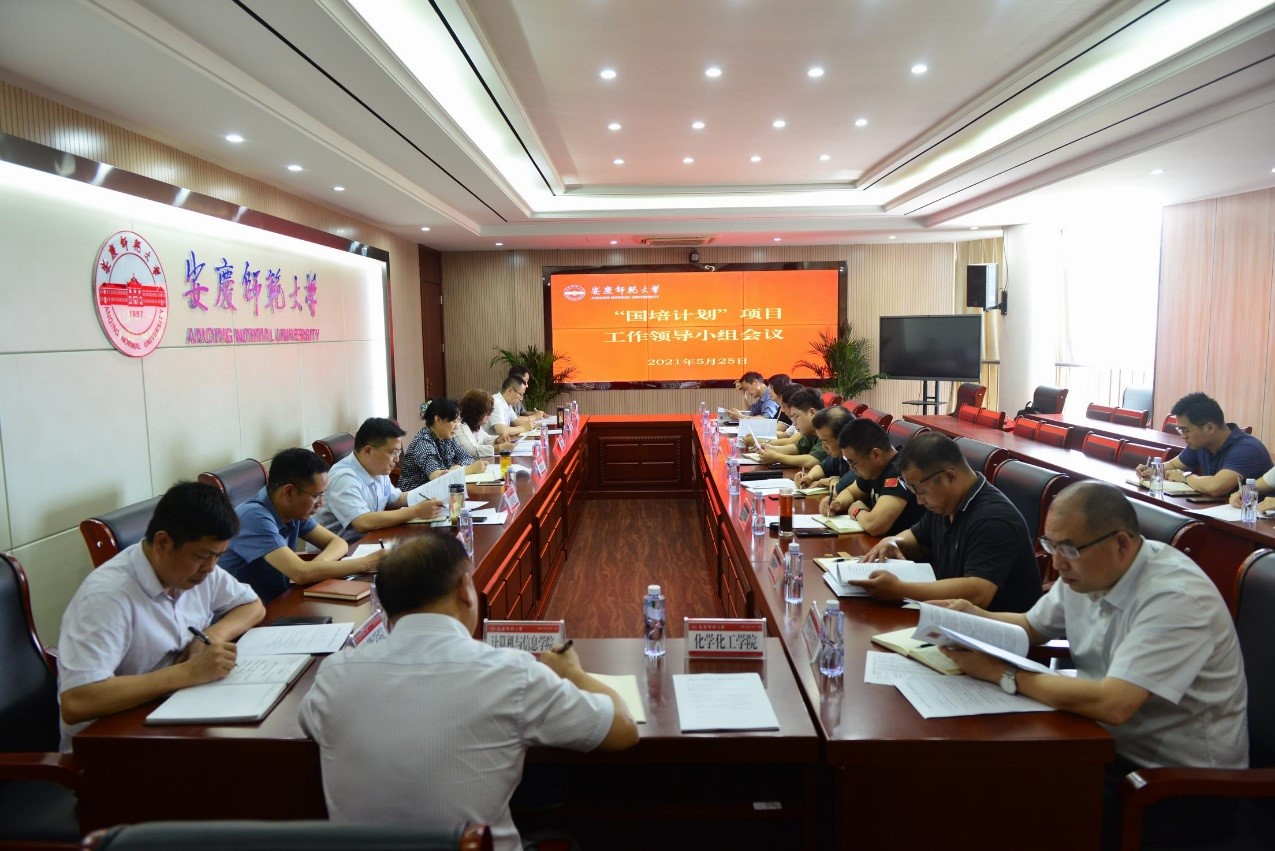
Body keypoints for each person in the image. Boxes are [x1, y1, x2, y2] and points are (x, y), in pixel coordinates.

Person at [936, 481, 1247, 849]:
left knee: (1012, 807)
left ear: (1121, 543)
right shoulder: (1085, 570)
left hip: (1177, 788)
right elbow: (1030, 627)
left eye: (1068, 549)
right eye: (1051, 545)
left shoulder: (1175, 598)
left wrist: (1002, 674)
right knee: (981, 777)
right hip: (1099, 746)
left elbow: (1114, 704)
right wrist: (974, 617)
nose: (1057, 563)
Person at [299, 535, 638, 851]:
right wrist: (573, 673)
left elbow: (311, 724)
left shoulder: (334, 675)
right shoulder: (511, 673)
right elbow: (622, 729)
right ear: (465, 589)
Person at [56, 482, 265, 750]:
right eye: (204, 556)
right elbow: (77, 701)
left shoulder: (196, 571)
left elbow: (253, 606)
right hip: (109, 748)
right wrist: (188, 673)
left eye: (218, 556)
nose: (211, 568)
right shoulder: (106, 598)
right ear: (163, 543)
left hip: (172, 717)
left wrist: (212, 636)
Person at [858, 431, 1041, 611]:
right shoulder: (945, 504)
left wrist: (900, 590)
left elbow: (979, 593)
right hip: (950, 615)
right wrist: (893, 542)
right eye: (914, 493)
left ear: (950, 476)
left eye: (921, 492)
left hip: (994, 626)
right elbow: (917, 539)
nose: (919, 501)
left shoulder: (994, 519)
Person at [219, 448, 383, 604]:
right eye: (316, 495)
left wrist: (316, 566)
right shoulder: (253, 517)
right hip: (245, 614)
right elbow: (300, 573)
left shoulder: (292, 509)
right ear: (289, 492)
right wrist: (366, 563)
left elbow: (338, 543)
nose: (321, 503)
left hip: (279, 601)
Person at [313, 417, 442, 543]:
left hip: (370, 540)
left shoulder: (377, 468)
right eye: (393, 452)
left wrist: (437, 490)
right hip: (342, 551)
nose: (397, 459)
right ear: (368, 450)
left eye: (398, 452)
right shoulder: (343, 477)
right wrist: (416, 511)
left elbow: (396, 499)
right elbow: (362, 522)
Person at [1135, 392, 1272, 496]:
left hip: (1257, 519)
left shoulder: (1247, 449)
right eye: (1180, 430)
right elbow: (1173, 465)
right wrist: (1152, 470)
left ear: (1209, 428)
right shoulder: (1201, 444)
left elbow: (1216, 487)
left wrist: (1185, 477)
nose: (1182, 436)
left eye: (1185, 430)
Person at [820, 418, 925, 537]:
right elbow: (851, 492)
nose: (852, 468)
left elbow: (875, 526)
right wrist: (837, 503)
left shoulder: (900, 470)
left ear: (876, 455)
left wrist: (857, 510)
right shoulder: (874, 468)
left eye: (853, 462)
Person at [399, 398, 487, 491]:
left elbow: (467, 458)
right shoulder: (424, 442)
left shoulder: (447, 437)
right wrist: (470, 469)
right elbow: (437, 477)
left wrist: (458, 467)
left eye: (458, 420)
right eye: (454, 421)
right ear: (438, 419)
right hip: (416, 494)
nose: (457, 426)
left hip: (438, 490)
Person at [757, 387, 827, 469]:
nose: (794, 423)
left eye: (796, 417)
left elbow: (813, 461)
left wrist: (777, 457)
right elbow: (796, 448)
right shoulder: (811, 431)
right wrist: (771, 448)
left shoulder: (827, 428)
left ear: (812, 413)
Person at [796, 405, 853, 488]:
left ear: (843, 438)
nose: (823, 447)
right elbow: (823, 467)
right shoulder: (841, 455)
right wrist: (809, 477)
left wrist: (831, 481)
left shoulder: (860, 462)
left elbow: (841, 488)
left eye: (826, 441)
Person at [456, 389, 515, 459]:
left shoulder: (475, 425)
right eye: (487, 413)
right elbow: (472, 451)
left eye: (490, 412)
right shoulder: (460, 426)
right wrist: (499, 447)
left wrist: (498, 440)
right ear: (476, 412)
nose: (489, 415)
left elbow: (486, 438)